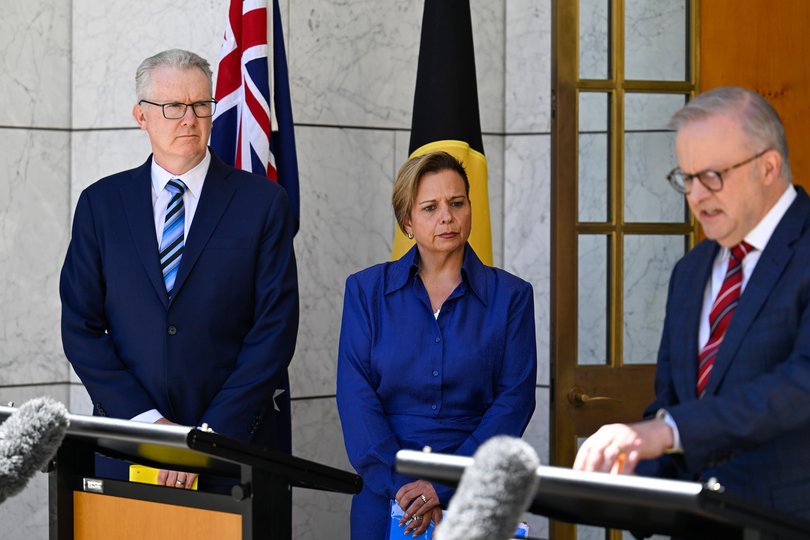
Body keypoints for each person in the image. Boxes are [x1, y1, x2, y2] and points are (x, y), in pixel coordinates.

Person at [60, 49, 298, 490]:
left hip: (233, 452)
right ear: (141, 116)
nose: (188, 118)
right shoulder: (100, 206)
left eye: (200, 105)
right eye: (172, 106)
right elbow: (81, 328)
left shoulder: (263, 204)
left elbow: (274, 330)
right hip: (127, 445)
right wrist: (153, 427)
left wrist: (205, 439)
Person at [574, 87, 810, 519]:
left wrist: (666, 431)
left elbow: (800, 386)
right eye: (686, 178)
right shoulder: (690, 272)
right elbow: (672, 406)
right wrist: (619, 486)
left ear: (769, 167)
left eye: (712, 176)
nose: (696, 196)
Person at [336, 151, 537, 538]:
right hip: (384, 494)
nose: (447, 216)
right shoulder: (365, 291)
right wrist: (403, 487)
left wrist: (444, 484)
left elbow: (515, 401)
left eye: (457, 203)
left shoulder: (512, 296)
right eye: (430, 207)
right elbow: (355, 397)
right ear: (407, 220)